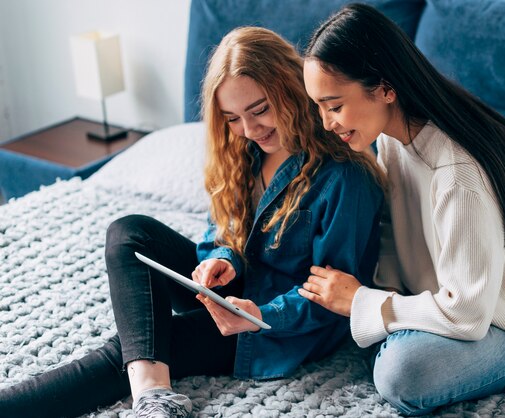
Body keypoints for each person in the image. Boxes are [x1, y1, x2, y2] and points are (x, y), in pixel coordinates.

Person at [0, 26, 384, 418]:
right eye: (233, 118)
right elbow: (223, 229)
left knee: (138, 348)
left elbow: (333, 298)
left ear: (293, 88)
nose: (250, 131)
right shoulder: (245, 154)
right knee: (129, 233)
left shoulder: (344, 176)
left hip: (277, 325)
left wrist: (259, 316)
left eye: (260, 110)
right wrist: (222, 259)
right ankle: (154, 393)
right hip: (233, 293)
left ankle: (149, 397)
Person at [299, 3, 505, 416]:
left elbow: (468, 313)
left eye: (334, 105)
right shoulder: (395, 138)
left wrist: (363, 302)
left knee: (401, 373)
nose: (326, 123)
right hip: (463, 296)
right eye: (319, 107)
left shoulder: (458, 173)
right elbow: (394, 238)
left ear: (384, 88)